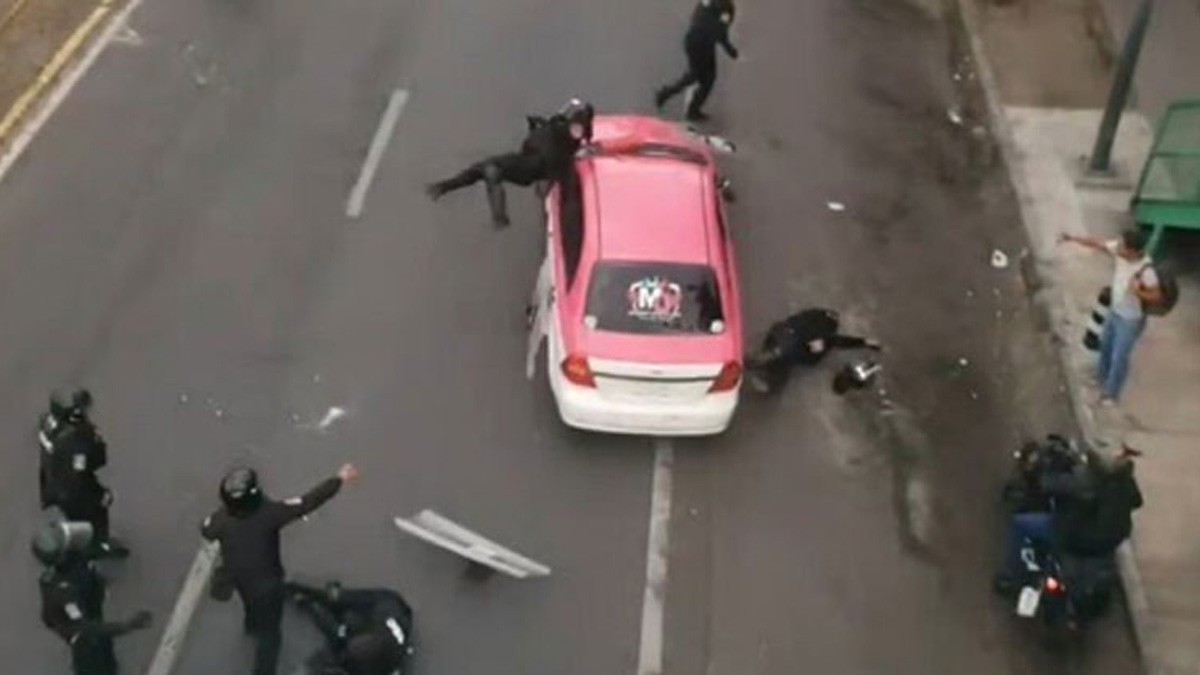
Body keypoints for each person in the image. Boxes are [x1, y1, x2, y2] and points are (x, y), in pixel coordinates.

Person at [201, 464, 359, 675]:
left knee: (252, 608)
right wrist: (339, 479)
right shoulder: (269, 514)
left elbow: (207, 530)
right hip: (268, 586)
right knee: (270, 636)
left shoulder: (221, 519)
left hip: (242, 582)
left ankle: (251, 627)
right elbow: (308, 501)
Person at [426, 100, 595, 228]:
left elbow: (562, 168)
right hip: (531, 160)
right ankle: (444, 187)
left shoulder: (564, 145)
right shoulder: (558, 128)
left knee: (490, 169)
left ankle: (499, 217)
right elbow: (554, 127)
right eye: (575, 128)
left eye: (579, 131)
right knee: (481, 169)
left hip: (535, 166)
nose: (576, 132)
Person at [994, 445, 1143, 591]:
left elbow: (1048, 484)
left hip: (1076, 536)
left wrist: (1041, 471)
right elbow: (1137, 501)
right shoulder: (1126, 482)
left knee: (1021, 524)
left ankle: (1012, 576)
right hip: (1112, 540)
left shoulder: (1086, 480)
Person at [33, 520, 152, 675]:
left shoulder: (72, 557)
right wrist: (127, 626)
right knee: (94, 656)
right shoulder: (63, 593)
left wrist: (109, 548)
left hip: (90, 607)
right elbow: (87, 627)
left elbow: (91, 551)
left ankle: (110, 666)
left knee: (105, 650)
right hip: (83, 635)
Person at [1060, 229, 1162, 404]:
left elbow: (1156, 295)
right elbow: (1097, 243)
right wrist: (1071, 238)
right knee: (1106, 347)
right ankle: (1101, 380)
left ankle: (1111, 394)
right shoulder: (1120, 252)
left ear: (1132, 251)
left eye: (1122, 247)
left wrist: (1137, 292)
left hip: (1130, 320)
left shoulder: (1146, 270)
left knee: (1119, 357)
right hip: (1115, 312)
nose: (1117, 248)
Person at [38, 389, 129, 559]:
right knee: (96, 515)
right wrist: (99, 494)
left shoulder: (48, 425)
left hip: (52, 482)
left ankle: (77, 543)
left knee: (74, 517)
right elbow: (78, 478)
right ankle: (99, 545)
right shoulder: (78, 439)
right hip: (70, 490)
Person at [286, 580, 414, 675]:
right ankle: (311, 593)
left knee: (333, 647)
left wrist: (309, 605)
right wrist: (307, 597)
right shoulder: (385, 608)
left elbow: (331, 629)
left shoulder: (383, 666)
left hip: (364, 648)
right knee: (338, 600)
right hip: (382, 605)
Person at [745, 308, 882, 393]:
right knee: (780, 359)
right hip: (786, 344)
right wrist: (865, 342)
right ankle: (757, 364)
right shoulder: (821, 335)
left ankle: (759, 365)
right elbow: (837, 341)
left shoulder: (814, 322)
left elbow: (837, 341)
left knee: (780, 362)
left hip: (783, 338)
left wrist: (864, 342)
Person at [654, 0, 738, 122]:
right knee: (705, 78)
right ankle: (687, 107)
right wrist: (732, 52)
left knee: (696, 75)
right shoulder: (726, 8)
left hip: (692, 39)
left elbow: (696, 16)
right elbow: (720, 33)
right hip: (704, 45)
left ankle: (669, 96)